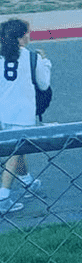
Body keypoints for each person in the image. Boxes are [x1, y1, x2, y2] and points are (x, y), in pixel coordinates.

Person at [0, 17, 50, 212]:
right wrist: (45, 62)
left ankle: (28, 182)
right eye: (27, 33)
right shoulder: (31, 57)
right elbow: (44, 84)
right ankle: (3, 196)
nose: (29, 36)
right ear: (20, 38)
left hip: (4, 112)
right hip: (23, 113)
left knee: (18, 149)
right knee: (15, 153)